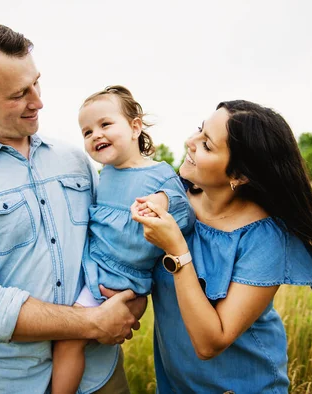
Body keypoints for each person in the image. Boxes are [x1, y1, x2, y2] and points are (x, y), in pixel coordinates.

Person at [0, 24, 146, 394]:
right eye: (18, 94)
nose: (38, 101)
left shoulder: (76, 159)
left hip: (101, 375)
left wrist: (131, 302)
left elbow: (114, 241)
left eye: (36, 83)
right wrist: (92, 322)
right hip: (12, 383)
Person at [131, 100, 312, 393]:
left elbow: (211, 343)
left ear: (239, 175)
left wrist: (177, 250)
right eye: (199, 131)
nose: (190, 142)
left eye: (207, 145)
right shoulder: (172, 197)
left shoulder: (266, 238)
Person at [51, 86, 195, 394]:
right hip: (96, 270)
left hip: (121, 279)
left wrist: (161, 200)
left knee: (68, 342)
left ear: (134, 126)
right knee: (68, 336)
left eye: (105, 124)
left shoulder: (159, 173)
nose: (95, 135)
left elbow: (184, 209)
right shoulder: (106, 174)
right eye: (86, 131)